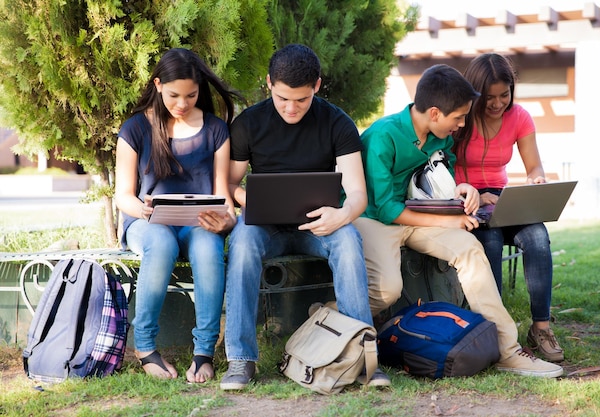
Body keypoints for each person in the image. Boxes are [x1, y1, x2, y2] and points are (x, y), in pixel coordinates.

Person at [354, 64, 563, 377]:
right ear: (435, 113)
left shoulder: (441, 136)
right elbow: (386, 209)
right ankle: (335, 317)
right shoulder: (383, 136)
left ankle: (508, 350)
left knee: (469, 247)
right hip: (376, 219)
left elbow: (444, 175)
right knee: (387, 290)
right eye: (459, 118)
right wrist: (449, 222)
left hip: (419, 215)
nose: (463, 124)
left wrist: (462, 188)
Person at [220, 43, 390, 390]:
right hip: (265, 226)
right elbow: (230, 184)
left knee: (348, 240)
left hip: (320, 226)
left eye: (301, 99)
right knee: (241, 243)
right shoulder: (249, 124)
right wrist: (246, 197)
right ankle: (240, 359)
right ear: (269, 83)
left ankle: (362, 358)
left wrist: (341, 215)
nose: (291, 107)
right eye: (283, 98)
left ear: (316, 85)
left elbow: (358, 194)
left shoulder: (337, 122)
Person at [115, 48, 239, 383]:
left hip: (197, 223)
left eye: (191, 95)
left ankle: (203, 354)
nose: (182, 104)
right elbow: (123, 196)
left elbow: (223, 196)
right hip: (146, 221)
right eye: (173, 96)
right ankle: (144, 347)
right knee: (162, 245)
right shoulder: (135, 129)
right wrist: (142, 208)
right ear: (157, 85)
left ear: (199, 89)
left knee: (208, 248)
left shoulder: (215, 130)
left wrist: (228, 219)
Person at [453, 53, 564, 362]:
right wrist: (470, 194)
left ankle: (541, 326)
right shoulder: (461, 118)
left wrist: (537, 179)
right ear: (476, 94)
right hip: (467, 200)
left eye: (504, 95)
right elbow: (441, 167)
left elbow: (533, 166)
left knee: (537, 238)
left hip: (502, 199)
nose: (498, 103)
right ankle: (497, 330)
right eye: (490, 97)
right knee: (488, 242)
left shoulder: (520, 117)